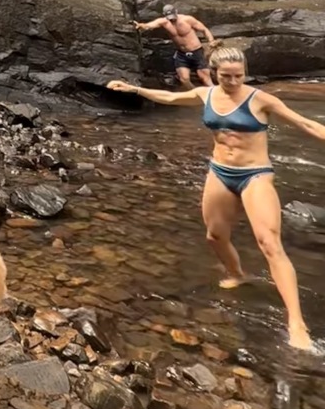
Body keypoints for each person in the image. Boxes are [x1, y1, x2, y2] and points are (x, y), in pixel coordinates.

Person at [108, 44, 318, 350]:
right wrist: (134, 89)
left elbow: (305, 123)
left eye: (239, 75)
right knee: (215, 236)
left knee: (269, 242)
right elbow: (170, 97)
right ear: (214, 73)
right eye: (226, 76)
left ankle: (296, 323)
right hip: (220, 171)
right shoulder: (205, 94)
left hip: (255, 174)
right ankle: (238, 274)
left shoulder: (261, 99)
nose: (233, 82)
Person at [133, 4, 214, 88]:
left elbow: (204, 29)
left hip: (196, 51)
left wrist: (211, 41)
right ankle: (196, 95)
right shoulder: (164, 22)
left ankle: (216, 96)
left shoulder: (187, 19)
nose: (172, 19)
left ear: (176, 11)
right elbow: (149, 25)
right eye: (169, 17)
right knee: (184, 79)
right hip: (182, 54)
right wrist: (141, 25)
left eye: (173, 16)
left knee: (204, 77)